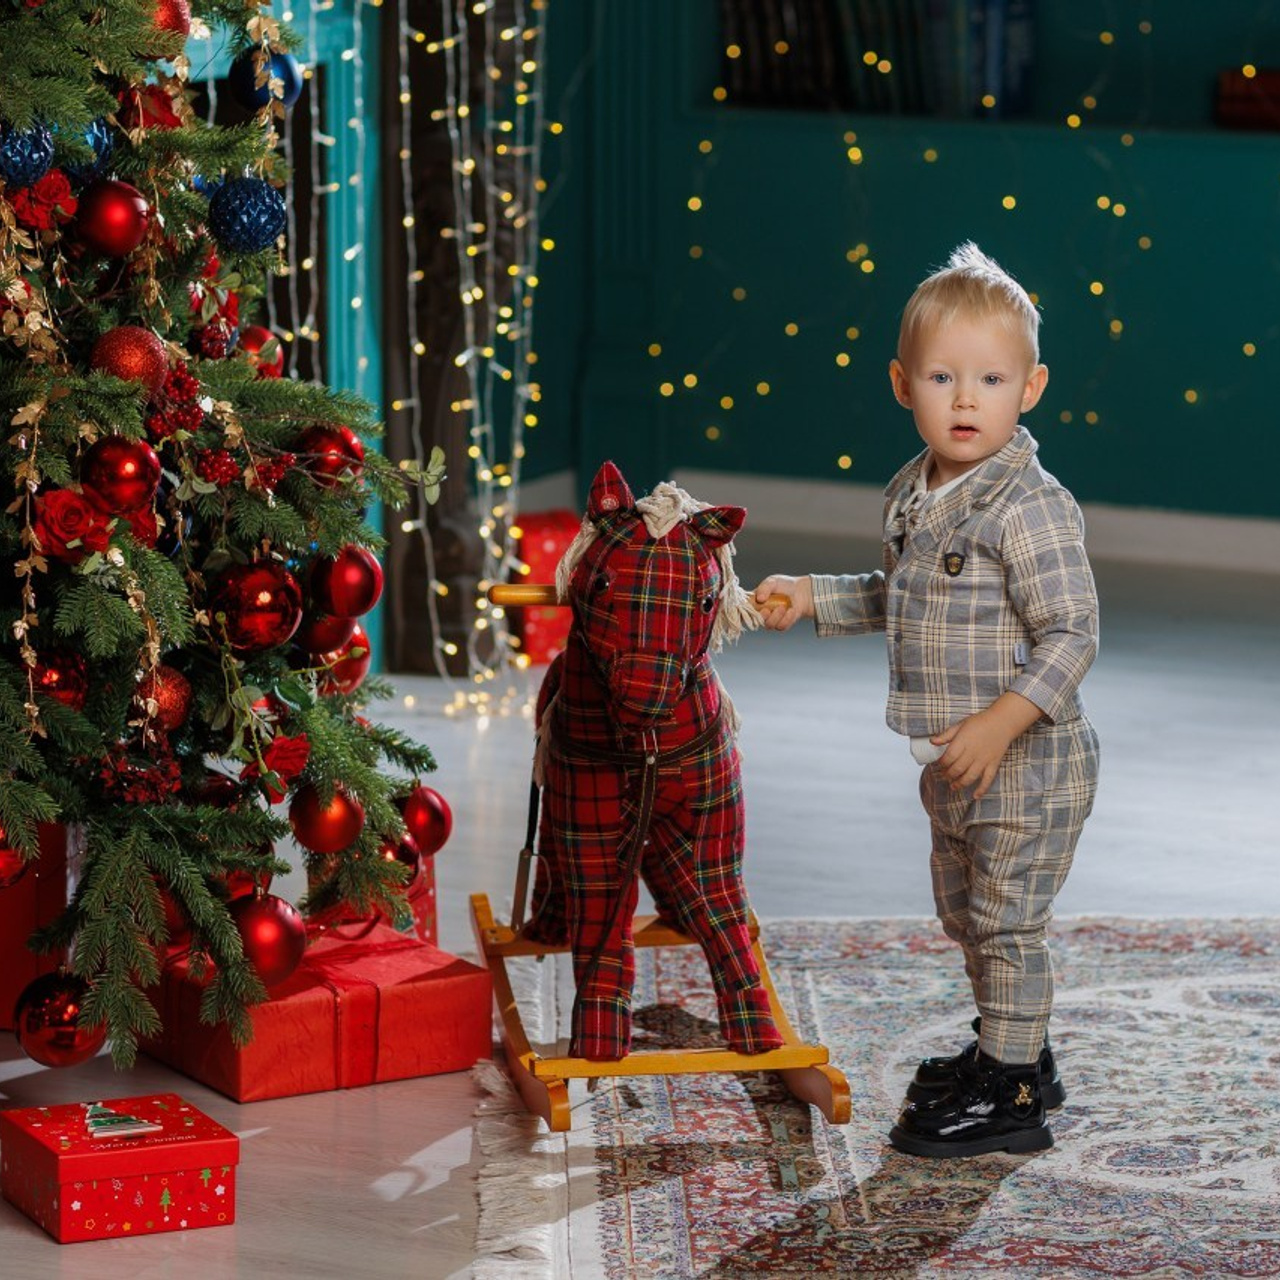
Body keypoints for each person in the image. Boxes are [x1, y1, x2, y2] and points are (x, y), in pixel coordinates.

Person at [755, 242, 1100, 1158]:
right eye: (943, 377)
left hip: (1028, 760)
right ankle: (1013, 1046)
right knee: (966, 910)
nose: (964, 399)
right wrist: (812, 593)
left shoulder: (1029, 506)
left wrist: (1000, 720)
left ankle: (1013, 1093)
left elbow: (1074, 633)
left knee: (1006, 920)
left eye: (989, 379)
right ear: (902, 383)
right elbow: (898, 593)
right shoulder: (915, 492)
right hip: (955, 759)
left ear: (1030, 388)